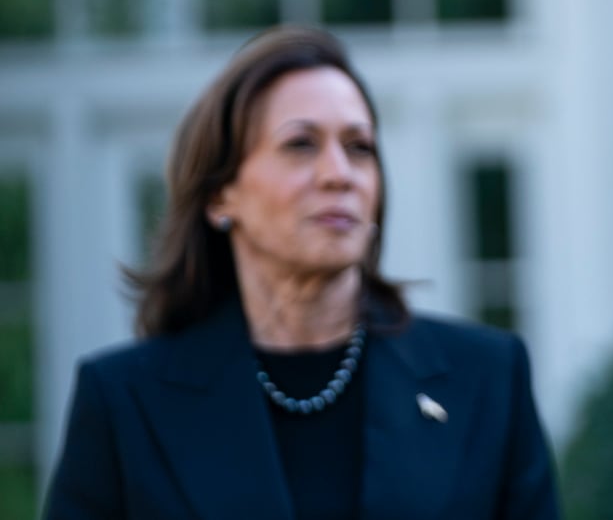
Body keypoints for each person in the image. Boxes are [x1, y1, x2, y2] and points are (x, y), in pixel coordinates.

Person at [44, 26, 561, 520]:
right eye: (301, 145)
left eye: (359, 147)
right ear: (221, 195)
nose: (339, 174)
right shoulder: (123, 402)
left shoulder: (489, 378)